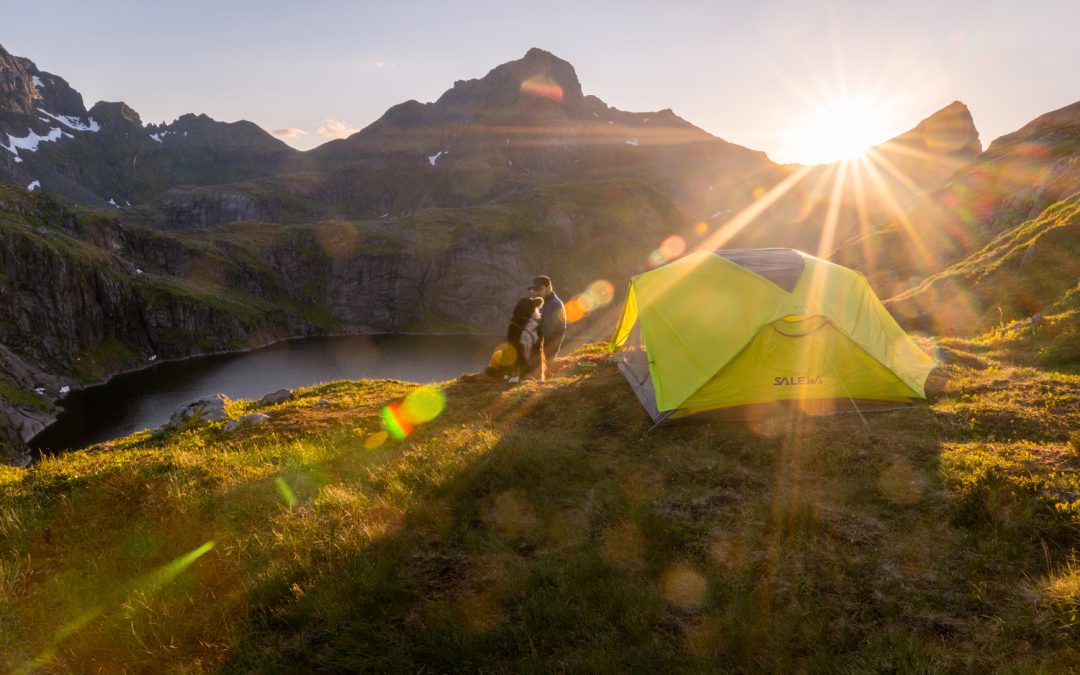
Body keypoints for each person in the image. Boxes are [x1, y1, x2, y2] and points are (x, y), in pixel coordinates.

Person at [485, 297, 545, 382]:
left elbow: (538, 351)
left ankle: (533, 374)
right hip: (514, 363)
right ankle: (512, 373)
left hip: (528, 362)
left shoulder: (536, 326)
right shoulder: (514, 326)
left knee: (537, 350)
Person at [529, 275, 566, 363]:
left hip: (546, 352)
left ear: (548, 288)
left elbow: (546, 332)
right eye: (534, 290)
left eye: (539, 289)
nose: (536, 293)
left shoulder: (555, 305)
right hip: (539, 349)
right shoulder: (543, 303)